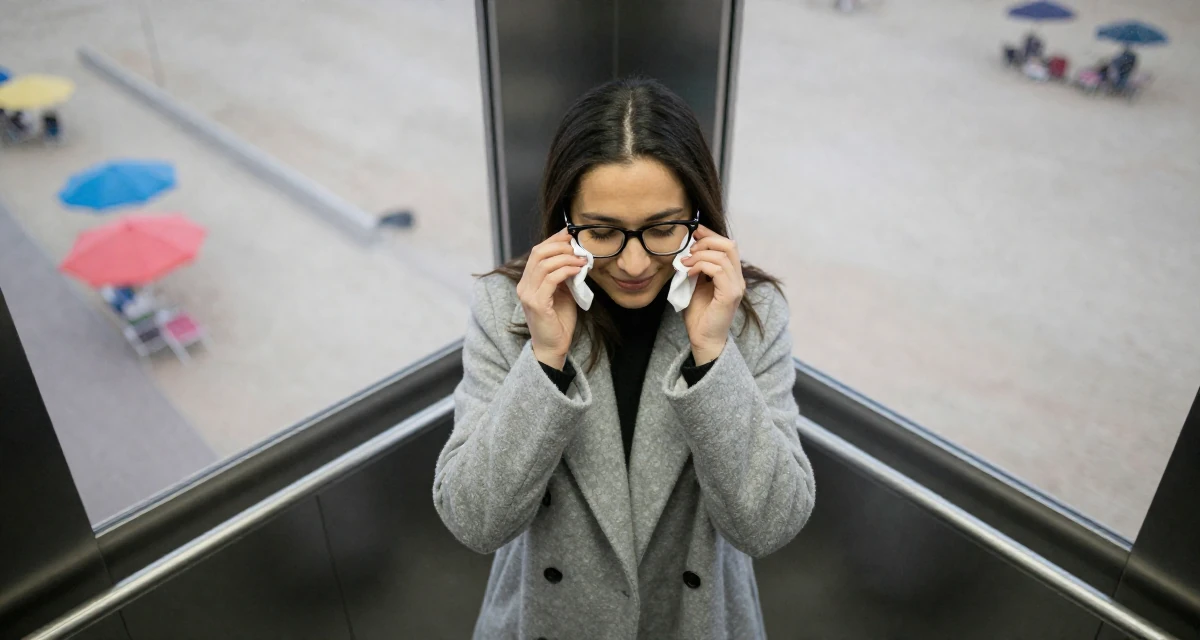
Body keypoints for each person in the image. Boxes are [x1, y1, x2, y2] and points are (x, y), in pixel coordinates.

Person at [433, 77, 816, 639]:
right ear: (564, 221)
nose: (634, 263)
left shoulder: (751, 313)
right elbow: (474, 520)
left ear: (699, 216)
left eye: (663, 228)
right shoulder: (510, 308)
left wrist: (712, 354)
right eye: (603, 231)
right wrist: (544, 359)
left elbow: (768, 525)